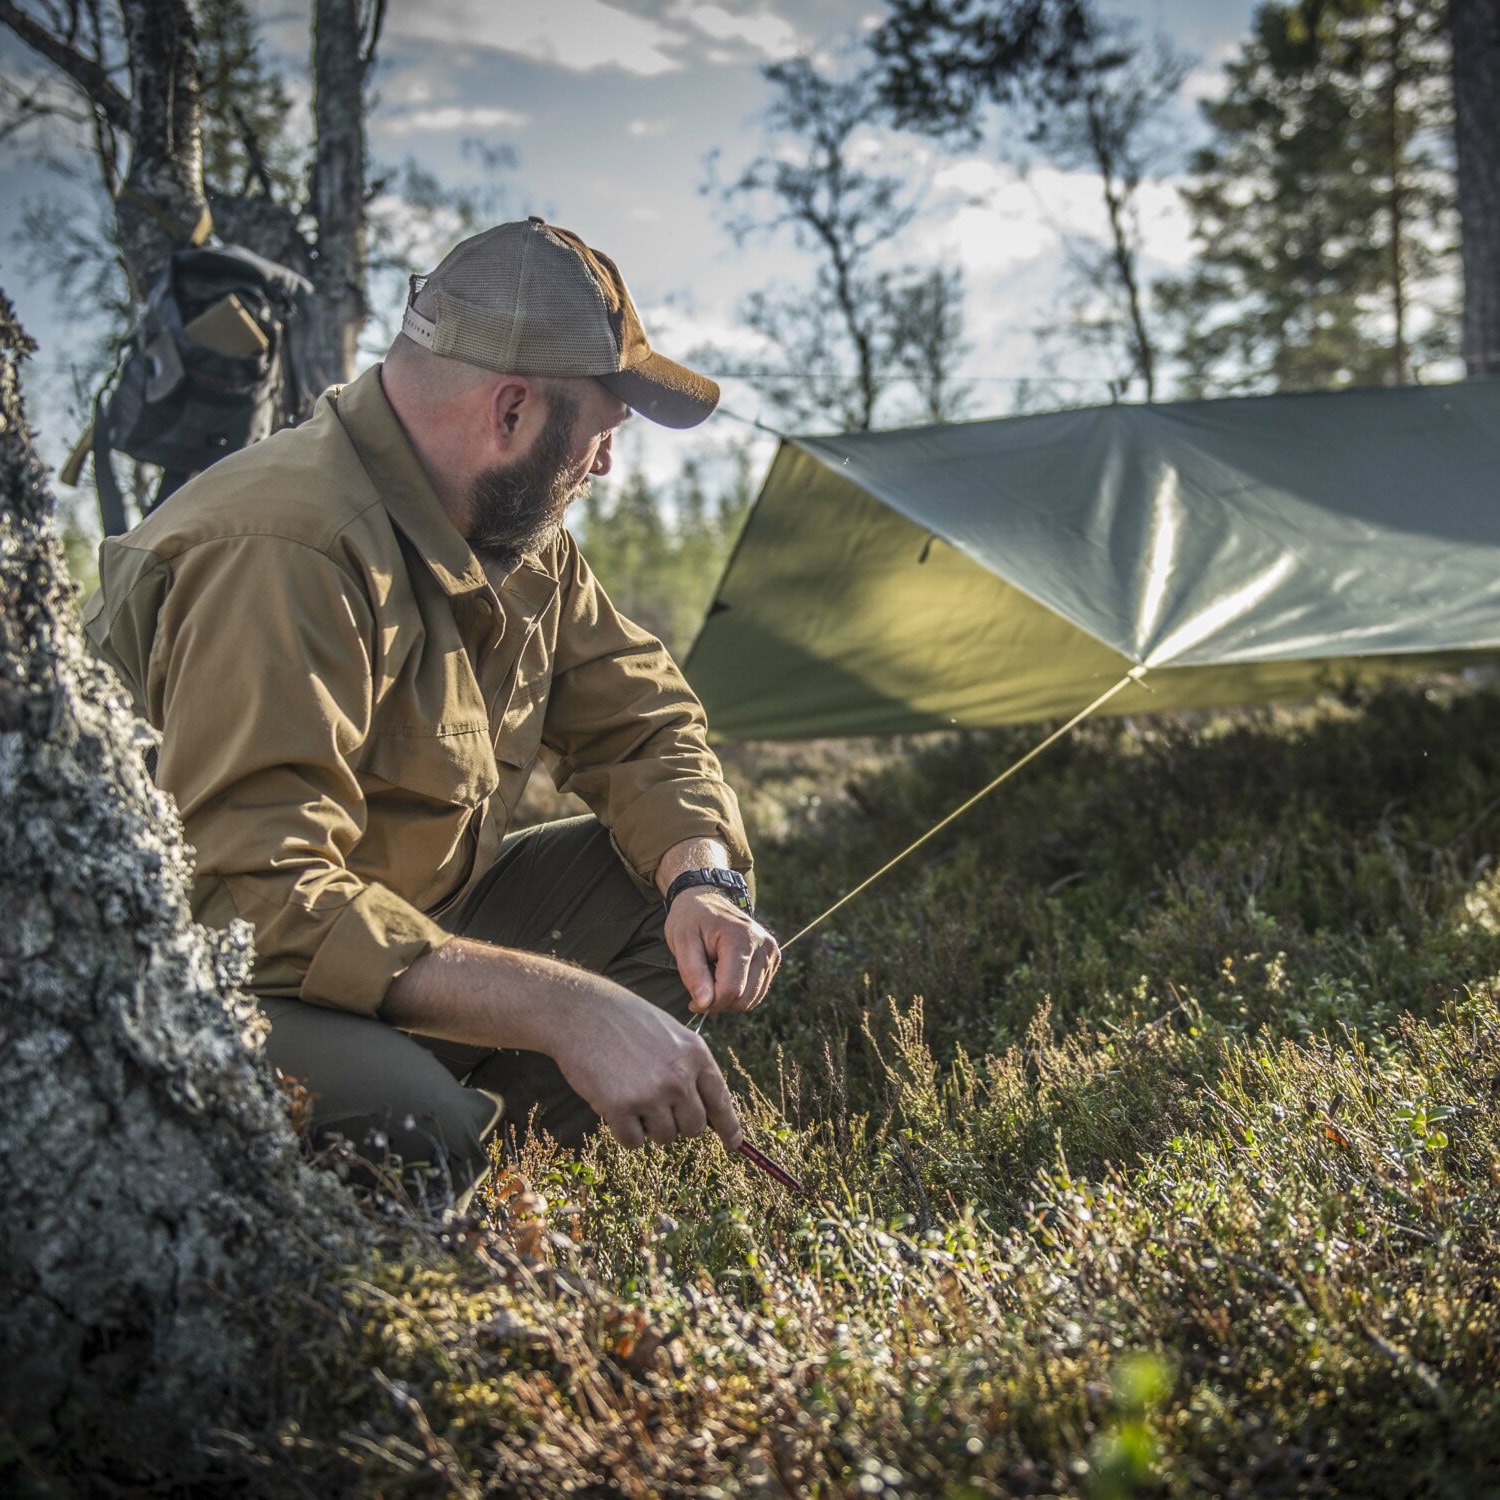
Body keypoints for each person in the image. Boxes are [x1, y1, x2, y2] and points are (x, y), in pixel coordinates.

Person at [83, 216, 780, 1206]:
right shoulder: (287, 550)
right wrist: (565, 1008)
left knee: (657, 901)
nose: (605, 468)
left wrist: (700, 879)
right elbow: (247, 900)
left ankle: (497, 1208)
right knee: (415, 1131)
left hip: (380, 940)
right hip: (189, 980)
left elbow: (643, 723)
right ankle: (400, 1227)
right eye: (599, 437)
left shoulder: (515, 533)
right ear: (510, 413)